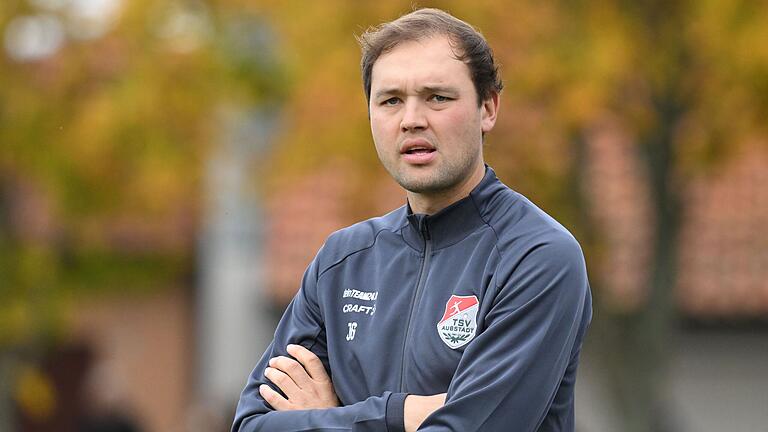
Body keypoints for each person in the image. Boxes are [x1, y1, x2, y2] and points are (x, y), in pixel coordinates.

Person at [232, 8, 592, 432]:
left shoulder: (537, 257)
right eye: (390, 101)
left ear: (488, 108)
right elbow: (251, 424)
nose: (411, 120)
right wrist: (401, 414)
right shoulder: (342, 261)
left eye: (438, 97)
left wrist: (325, 420)